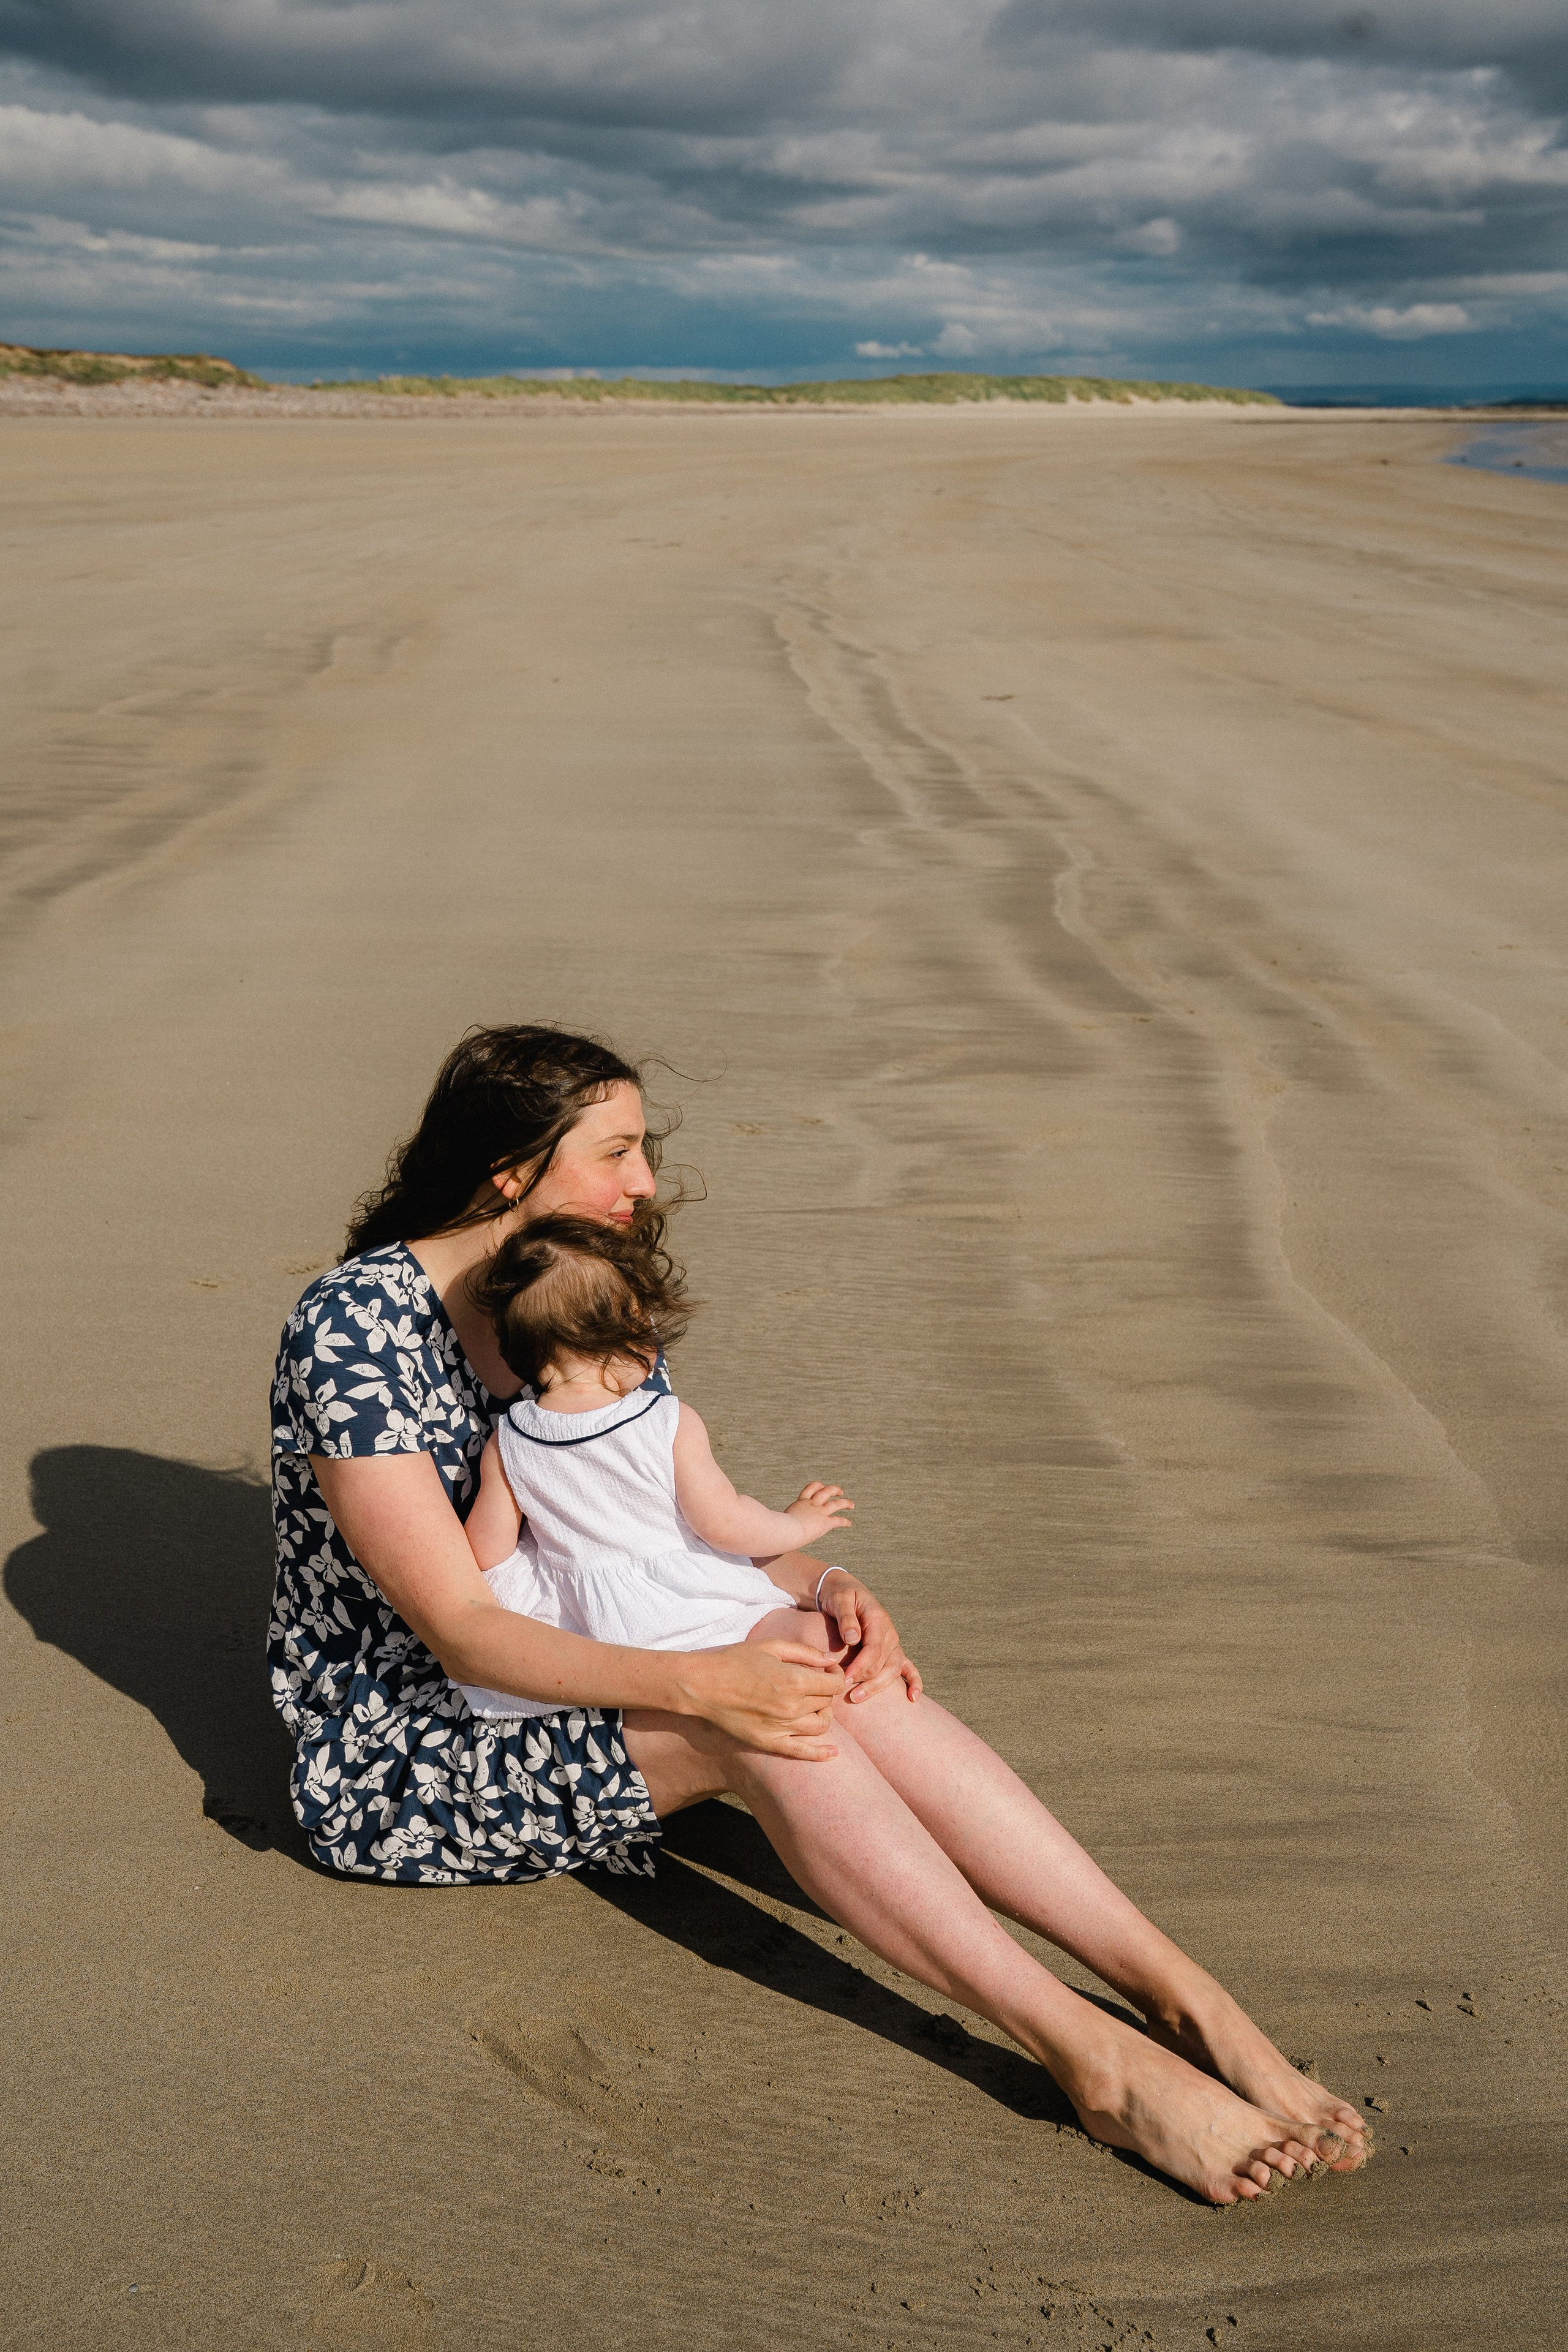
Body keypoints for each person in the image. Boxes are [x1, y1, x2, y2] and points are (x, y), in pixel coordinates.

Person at [268, 1022, 1370, 2206]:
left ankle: (1183, 1995)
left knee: (829, 1660)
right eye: (617, 1152)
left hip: (611, 1648)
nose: (645, 1181)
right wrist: (708, 1686)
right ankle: (1091, 2056)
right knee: (767, 1715)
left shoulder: (580, 1287)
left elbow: (672, 1529)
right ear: (509, 1171)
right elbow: (462, 1632)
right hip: (425, 1740)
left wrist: (826, 1589)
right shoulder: (357, 1331)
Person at [453, 1211, 878, 1709]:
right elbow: (725, 1524)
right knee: (812, 1639)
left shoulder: (511, 1439)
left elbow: (488, 1552)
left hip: (597, 1634)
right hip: (687, 1605)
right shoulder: (665, 1420)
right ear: (623, 1333)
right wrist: (798, 1524)